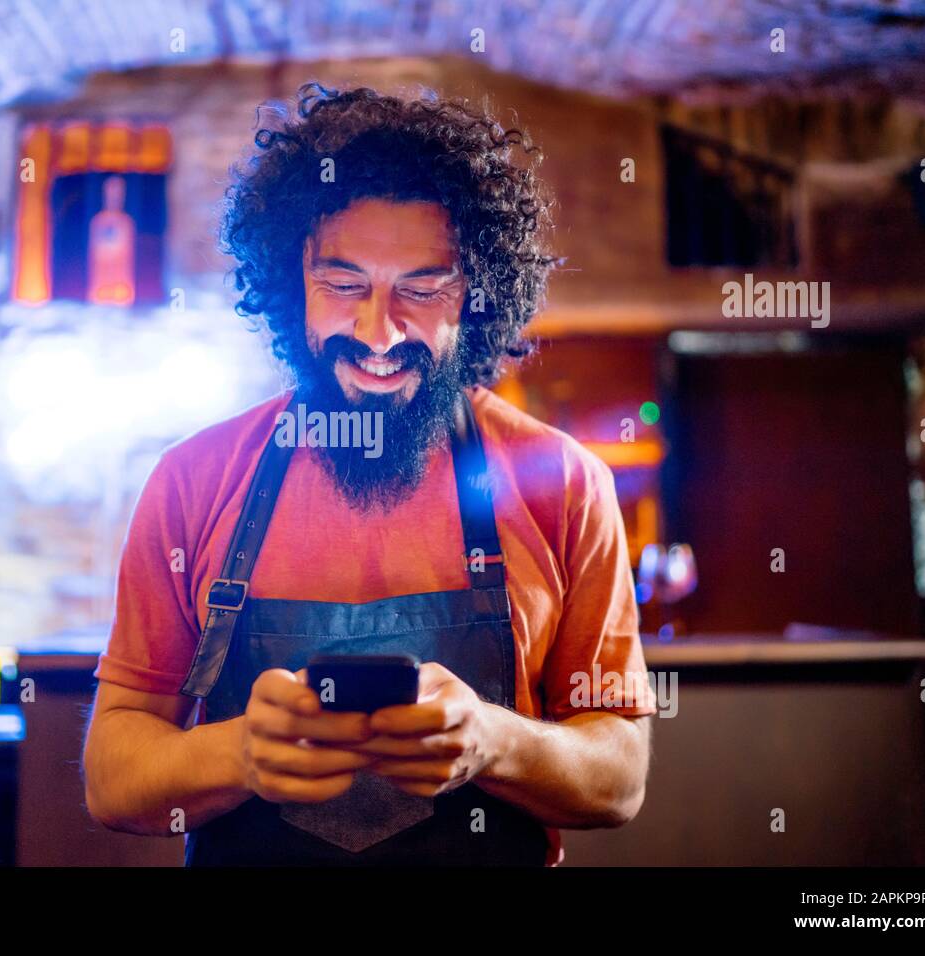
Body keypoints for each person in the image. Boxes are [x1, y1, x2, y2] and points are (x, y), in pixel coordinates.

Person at [83, 84, 655, 866]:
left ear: (476, 299)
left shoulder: (565, 482)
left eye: (422, 287)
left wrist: (494, 740)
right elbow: (112, 779)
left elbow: (619, 781)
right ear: (293, 288)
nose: (378, 333)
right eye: (343, 284)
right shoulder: (193, 480)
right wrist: (241, 754)